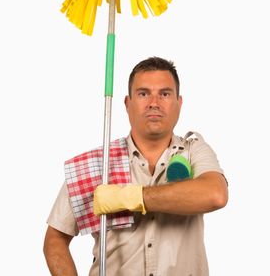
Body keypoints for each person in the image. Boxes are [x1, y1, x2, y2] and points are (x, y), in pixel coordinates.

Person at [43, 56, 228, 276]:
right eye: (143, 93)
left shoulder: (193, 151)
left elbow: (215, 194)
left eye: (165, 94)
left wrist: (127, 197)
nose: (154, 103)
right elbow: (55, 240)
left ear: (179, 103)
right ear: (127, 103)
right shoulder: (98, 164)